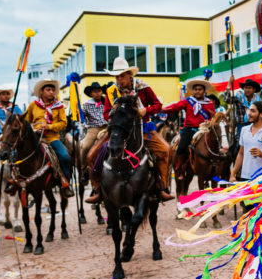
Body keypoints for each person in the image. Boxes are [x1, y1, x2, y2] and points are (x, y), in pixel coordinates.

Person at [85, 58, 174, 203]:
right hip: (118, 130)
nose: (120, 79)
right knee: (90, 155)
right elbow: (106, 113)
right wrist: (116, 114)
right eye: (117, 76)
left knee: (166, 149)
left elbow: (158, 105)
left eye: (122, 76)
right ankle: (98, 189)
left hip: (142, 128)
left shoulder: (143, 87)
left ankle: (161, 186)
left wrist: (146, 110)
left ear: (129, 74)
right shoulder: (111, 91)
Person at [22, 79, 74, 198]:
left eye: (52, 90)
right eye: (48, 90)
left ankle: (66, 184)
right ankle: (17, 180)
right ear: (41, 91)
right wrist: (34, 128)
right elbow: (26, 122)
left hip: (52, 138)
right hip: (35, 139)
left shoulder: (59, 106)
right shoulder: (33, 105)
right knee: (19, 154)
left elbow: (63, 123)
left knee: (65, 157)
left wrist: (48, 126)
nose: (51, 92)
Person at [161, 79, 220, 172]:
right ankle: (179, 166)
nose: (197, 91)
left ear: (204, 91)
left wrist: (210, 121)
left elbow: (213, 117)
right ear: (193, 91)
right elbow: (176, 106)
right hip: (189, 129)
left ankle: (214, 167)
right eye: (195, 89)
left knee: (216, 145)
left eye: (200, 89)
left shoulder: (209, 104)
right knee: (181, 147)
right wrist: (163, 109)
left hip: (204, 130)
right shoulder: (187, 101)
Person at [229, 101, 262, 182]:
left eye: (253, 111)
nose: (249, 113)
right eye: (249, 110)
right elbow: (241, 153)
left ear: (261, 114)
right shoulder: (244, 130)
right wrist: (233, 173)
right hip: (244, 177)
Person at [224, 77, 262, 144]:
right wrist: (229, 83)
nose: (247, 90)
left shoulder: (258, 100)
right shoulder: (239, 97)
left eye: (249, 88)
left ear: (254, 89)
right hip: (241, 124)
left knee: (257, 142)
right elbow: (227, 99)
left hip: (255, 124)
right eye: (246, 88)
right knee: (241, 144)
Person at [80, 81, 108, 167]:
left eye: (99, 91)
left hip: (107, 128)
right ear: (91, 93)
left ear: (102, 92)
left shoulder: (107, 102)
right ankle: (83, 168)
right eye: (95, 91)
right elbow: (82, 117)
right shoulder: (86, 105)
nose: (97, 93)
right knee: (85, 147)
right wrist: (78, 114)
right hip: (93, 129)